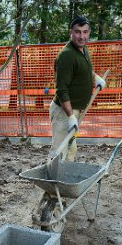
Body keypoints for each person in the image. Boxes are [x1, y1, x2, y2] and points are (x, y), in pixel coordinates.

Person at [48, 16, 106, 161]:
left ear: (89, 33)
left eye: (85, 32)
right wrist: (70, 116)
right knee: (59, 150)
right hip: (64, 112)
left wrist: (95, 77)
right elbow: (62, 90)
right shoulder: (67, 56)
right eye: (78, 32)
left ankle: (64, 180)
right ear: (71, 32)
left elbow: (82, 69)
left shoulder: (82, 49)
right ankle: (51, 181)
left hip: (74, 111)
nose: (82, 36)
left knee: (71, 149)